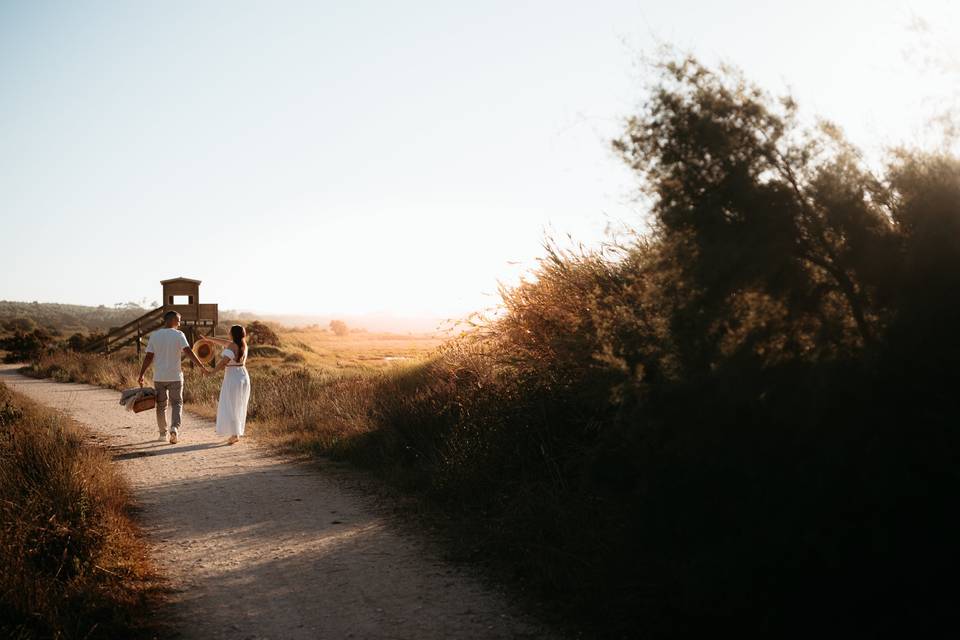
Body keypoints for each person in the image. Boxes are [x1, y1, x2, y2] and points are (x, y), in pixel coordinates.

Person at [138, 311, 210, 444]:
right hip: (175, 376)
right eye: (178, 320)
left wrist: (141, 374)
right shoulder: (179, 335)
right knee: (177, 403)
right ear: (171, 320)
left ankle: (162, 434)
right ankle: (174, 429)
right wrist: (201, 366)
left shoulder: (155, 335)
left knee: (161, 405)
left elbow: (149, 356)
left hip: (159, 377)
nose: (179, 323)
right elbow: (188, 352)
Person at [201, 325, 251, 444]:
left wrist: (210, 373)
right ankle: (236, 432)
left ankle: (235, 434)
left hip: (233, 377)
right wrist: (209, 339)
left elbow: (223, 362)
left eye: (229, 331)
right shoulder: (243, 345)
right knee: (238, 405)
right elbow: (224, 342)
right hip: (243, 375)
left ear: (233, 334)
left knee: (232, 405)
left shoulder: (232, 346)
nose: (228, 332)